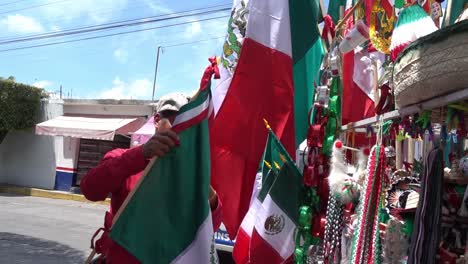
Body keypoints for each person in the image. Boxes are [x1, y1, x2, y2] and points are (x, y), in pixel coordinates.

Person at [81, 92, 222, 264]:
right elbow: (90, 189)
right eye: (173, 119)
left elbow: (207, 229)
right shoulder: (123, 157)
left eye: (185, 124)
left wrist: (210, 197)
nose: (179, 129)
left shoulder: (191, 171)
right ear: (156, 120)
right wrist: (141, 155)